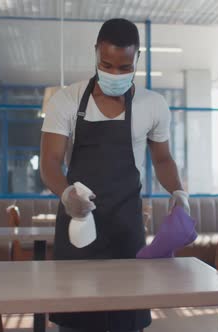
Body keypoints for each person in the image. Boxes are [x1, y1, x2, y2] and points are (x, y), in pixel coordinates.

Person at [39, 18, 189, 332]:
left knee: (126, 319)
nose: (115, 74)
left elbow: (162, 159)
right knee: (77, 319)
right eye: (106, 65)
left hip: (126, 226)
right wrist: (67, 195)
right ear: (96, 53)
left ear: (137, 59)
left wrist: (178, 192)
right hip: (78, 224)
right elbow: (50, 163)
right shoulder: (66, 100)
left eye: (124, 67)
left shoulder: (153, 105)